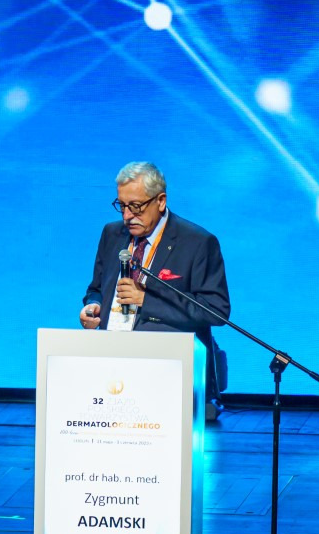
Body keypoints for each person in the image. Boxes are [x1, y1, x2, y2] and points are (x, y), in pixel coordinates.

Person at [79, 161, 230, 417]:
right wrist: (93, 305)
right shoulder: (112, 234)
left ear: (160, 201)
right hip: (112, 367)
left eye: (136, 206)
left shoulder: (197, 242)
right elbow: (96, 288)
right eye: (122, 205)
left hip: (168, 372)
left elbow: (216, 311)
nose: (127, 215)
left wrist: (145, 300)